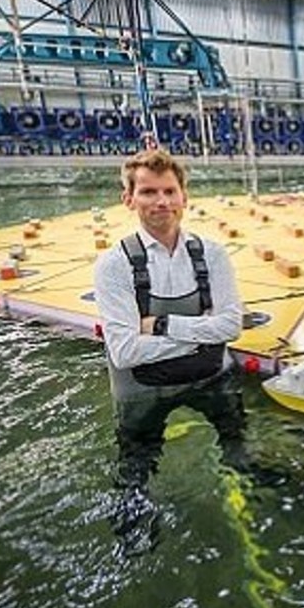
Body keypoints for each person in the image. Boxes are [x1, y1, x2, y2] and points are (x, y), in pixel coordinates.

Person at [94, 149, 245, 551]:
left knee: (235, 437)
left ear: (184, 197)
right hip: (141, 388)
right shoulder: (114, 265)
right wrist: (204, 333)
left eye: (168, 191)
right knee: (136, 466)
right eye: (148, 192)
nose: (160, 201)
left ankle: (246, 470)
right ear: (128, 199)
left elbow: (232, 326)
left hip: (209, 377)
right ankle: (133, 513)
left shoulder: (212, 254)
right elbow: (125, 352)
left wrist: (159, 325)